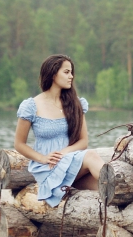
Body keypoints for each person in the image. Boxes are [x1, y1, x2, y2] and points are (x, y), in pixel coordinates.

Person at [14, 54, 104, 207]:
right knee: (92, 156)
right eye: (67, 72)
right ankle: (121, 186)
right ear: (53, 73)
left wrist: (64, 153)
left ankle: (124, 195)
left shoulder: (76, 104)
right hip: (47, 168)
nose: (71, 76)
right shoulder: (31, 106)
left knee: (103, 188)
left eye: (71, 72)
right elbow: (19, 144)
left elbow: (83, 142)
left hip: (69, 162)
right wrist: (43, 158)